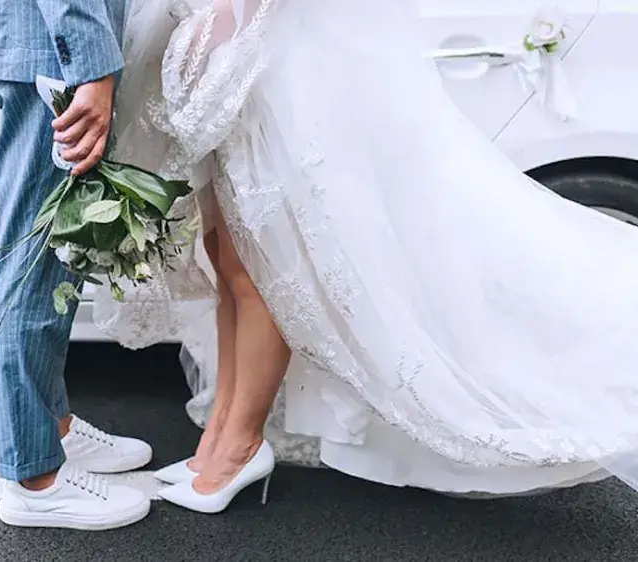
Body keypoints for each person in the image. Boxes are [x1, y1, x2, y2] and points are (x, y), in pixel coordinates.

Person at [96, 0, 638, 514]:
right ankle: (216, 438)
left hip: (275, 71)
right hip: (245, 63)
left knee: (267, 270)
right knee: (230, 261)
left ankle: (237, 447)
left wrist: (209, 42)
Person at [0, 0, 154, 530]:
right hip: (46, 37)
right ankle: (35, 480)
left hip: (29, 32)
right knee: (35, 260)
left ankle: (52, 427)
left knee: (49, 252)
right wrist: (91, 62)